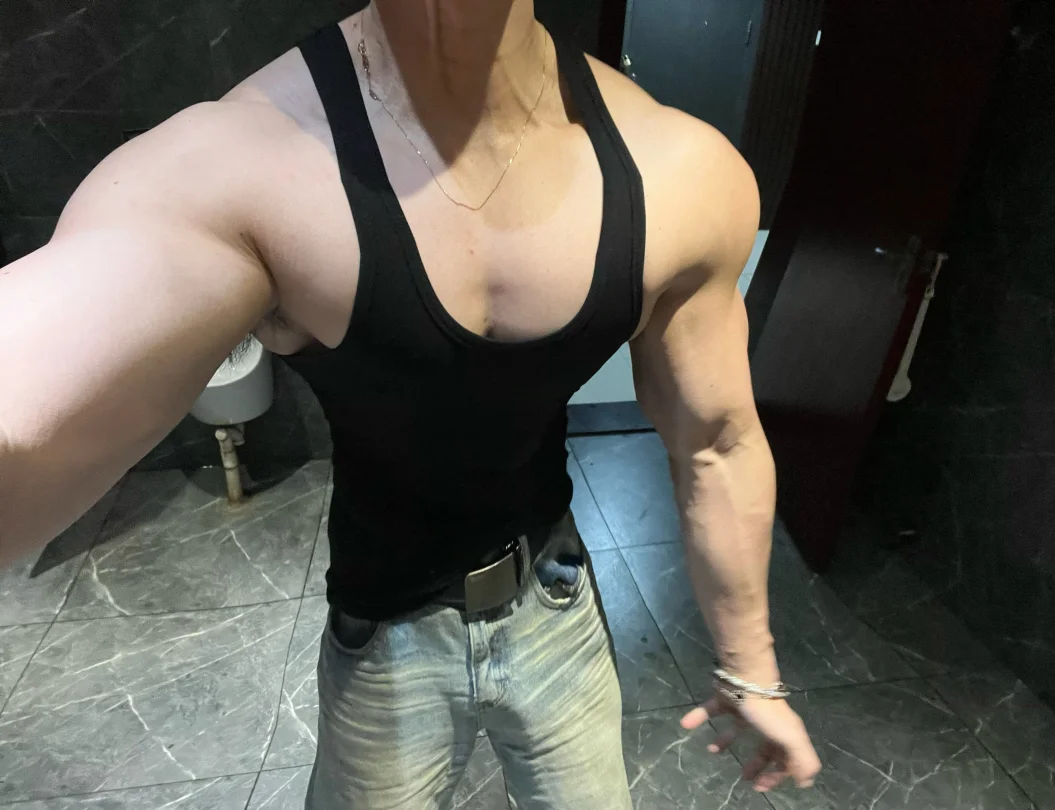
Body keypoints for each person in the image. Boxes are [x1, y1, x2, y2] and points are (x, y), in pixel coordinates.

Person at [0, 1, 821, 806]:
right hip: (383, 628)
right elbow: (37, 392)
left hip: (555, 601)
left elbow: (717, 442)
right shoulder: (232, 169)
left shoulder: (676, 170)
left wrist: (752, 668)